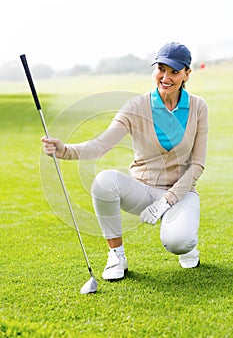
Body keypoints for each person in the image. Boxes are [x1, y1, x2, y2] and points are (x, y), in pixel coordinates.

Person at [42, 42, 208, 281]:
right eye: (161, 69)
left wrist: (167, 201)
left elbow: (198, 165)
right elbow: (101, 144)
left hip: (180, 192)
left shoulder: (198, 107)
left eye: (174, 71)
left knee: (178, 242)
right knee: (104, 182)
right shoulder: (135, 106)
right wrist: (64, 150)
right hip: (142, 189)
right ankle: (116, 255)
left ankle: (188, 246)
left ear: (187, 74)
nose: (166, 77)